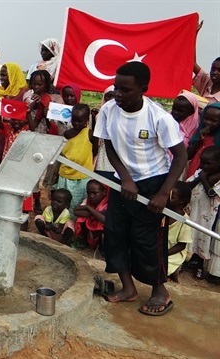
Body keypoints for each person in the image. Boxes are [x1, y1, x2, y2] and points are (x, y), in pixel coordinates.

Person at [93, 62, 186, 316]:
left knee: (147, 241)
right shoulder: (108, 110)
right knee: (115, 232)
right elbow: (108, 146)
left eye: (126, 90)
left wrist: (162, 193)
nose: (118, 94)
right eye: (116, 88)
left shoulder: (159, 118)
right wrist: (125, 177)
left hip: (153, 183)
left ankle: (160, 292)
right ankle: (128, 288)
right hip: (123, 181)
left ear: (143, 89)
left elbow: (180, 157)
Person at [56, 104, 98, 216]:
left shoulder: (90, 134)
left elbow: (95, 151)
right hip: (65, 175)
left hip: (82, 176)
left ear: (86, 120)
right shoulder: (67, 134)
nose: (76, 124)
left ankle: (74, 228)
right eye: (74, 121)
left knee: (78, 204)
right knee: (62, 203)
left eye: (80, 121)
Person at [186, 146, 220, 282]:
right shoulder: (201, 172)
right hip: (194, 211)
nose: (204, 166)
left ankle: (199, 266)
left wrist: (204, 179)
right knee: (190, 236)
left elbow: (211, 193)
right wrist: (200, 177)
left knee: (203, 240)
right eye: (202, 162)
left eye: (209, 163)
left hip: (207, 217)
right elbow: (188, 186)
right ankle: (186, 262)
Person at [166, 181, 192, 283]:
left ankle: (174, 272)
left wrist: (164, 254)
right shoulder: (162, 211)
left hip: (172, 253)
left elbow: (181, 245)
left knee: (159, 268)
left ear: (182, 201)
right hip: (158, 249)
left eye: (172, 197)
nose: (167, 198)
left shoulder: (185, 221)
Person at [186, 103, 220, 179]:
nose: (208, 122)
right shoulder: (200, 133)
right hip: (192, 172)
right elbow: (188, 156)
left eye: (213, 120)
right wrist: (199, 140)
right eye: (206, 118)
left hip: (209, 179)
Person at [74, 180, 109, 249]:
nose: (91, 196)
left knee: (105, 225)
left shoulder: (107, 204)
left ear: (104, 192)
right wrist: (96, 213)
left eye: (95, 193)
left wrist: (88, 208)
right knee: (81, 219)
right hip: (90, 229)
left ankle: (102, 245)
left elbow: (104, 219)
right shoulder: (87, 201)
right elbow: (76, 211)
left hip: (101, 231)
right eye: (88, 193)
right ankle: (83, 240)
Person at [192, 22, 220, 103]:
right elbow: (192, 64)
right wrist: (194, 34)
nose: (215, 73)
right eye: (213, 69)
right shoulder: (207, 82)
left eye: (219, 70)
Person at [94, 85, 116, 181]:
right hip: (103, 158)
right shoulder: (99, 116)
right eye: (108, 96)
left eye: (114, 96)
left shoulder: (124, 117)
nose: (111, 100)